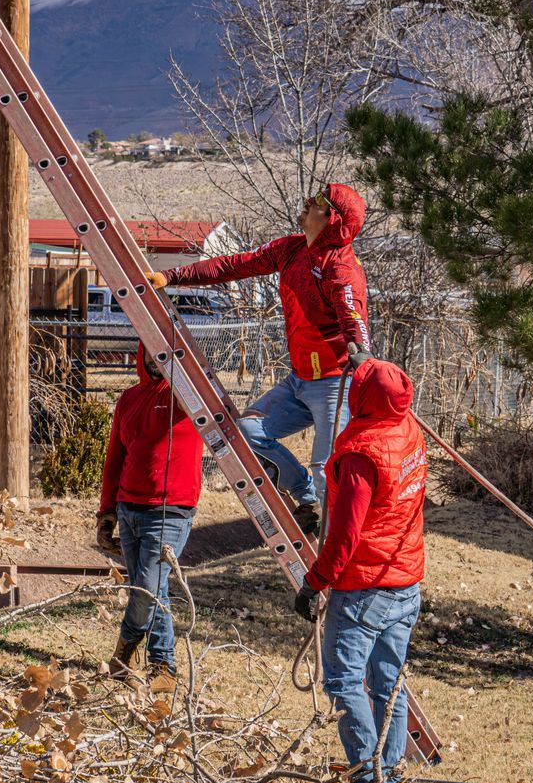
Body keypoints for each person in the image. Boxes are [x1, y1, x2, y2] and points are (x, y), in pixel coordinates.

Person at [151, 183, 371, 533]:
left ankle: (333, 553)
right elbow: (234, 265)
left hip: (334, 383)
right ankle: (307, 497)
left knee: (327, 466)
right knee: (247, 431)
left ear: (332, 219)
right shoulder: (291, 249)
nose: (306, 202)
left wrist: (362, 354)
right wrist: (173, 276)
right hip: (300, 380)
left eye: (316, 201)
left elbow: (352, 315)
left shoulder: (341, 269)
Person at [291, 357, 427, 783]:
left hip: (365, 587)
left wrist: (315, 583)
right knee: (389, 682)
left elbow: (344, 534)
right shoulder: (408, 428)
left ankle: (370, 779)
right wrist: (359, 361)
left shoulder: (360, 454)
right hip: (405, 582)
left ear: (362, 397)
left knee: (344, 681)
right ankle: (387, 771)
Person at [96, 344, 206, 681]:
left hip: (169, 512)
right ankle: (163, 667)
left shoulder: (188, 397)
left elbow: (208, 393)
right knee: (152, 589)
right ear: (141, 354)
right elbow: (115, 457)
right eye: (150, 353)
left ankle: (122, 655)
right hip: (129, 508)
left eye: (163, 353)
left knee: (145, 588)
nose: (155, 360)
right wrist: (106, 514)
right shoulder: (129, 398)